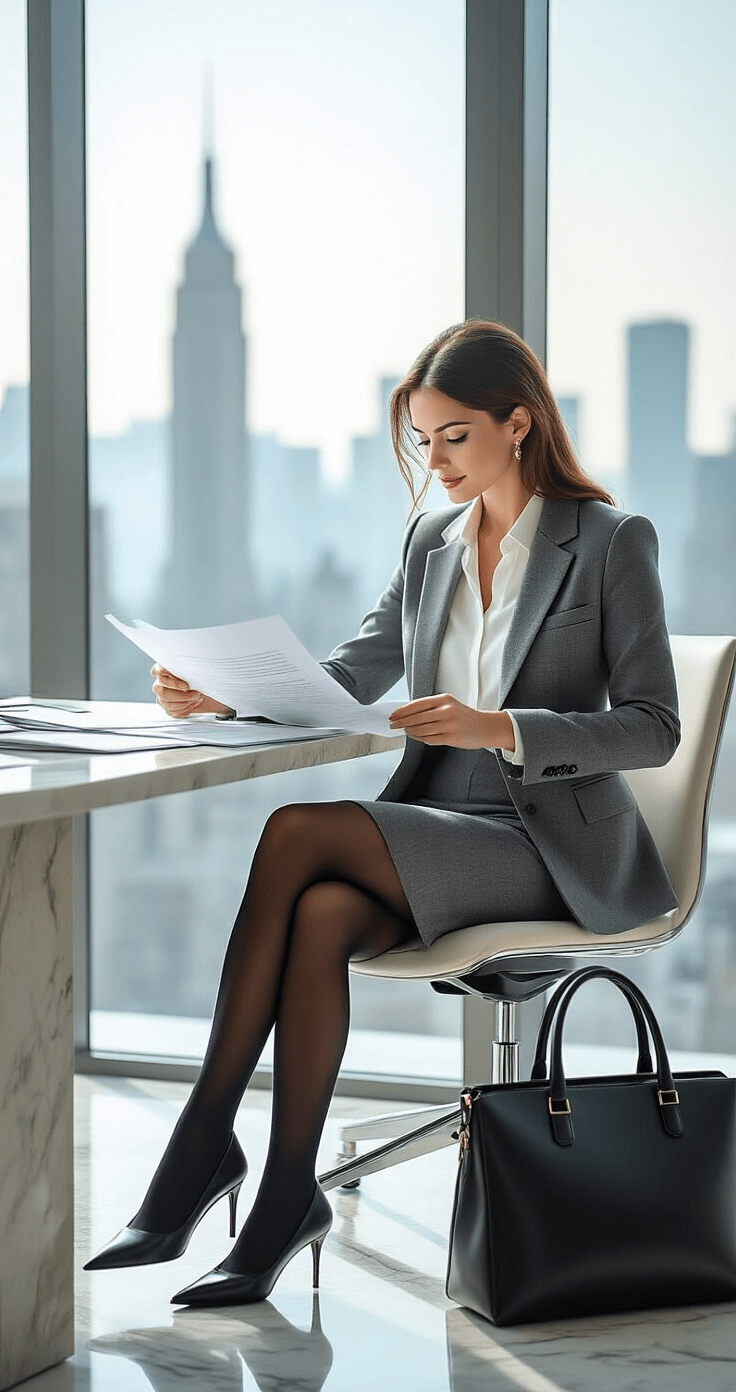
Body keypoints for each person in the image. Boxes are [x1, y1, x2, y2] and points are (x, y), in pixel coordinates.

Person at [84, 319, 680, 1306]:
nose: (434, 461)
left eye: (454, 435)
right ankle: (283, 1197)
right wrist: (224, 692)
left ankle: (200, 1144)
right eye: (421, 441)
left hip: (548, 846)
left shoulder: (609, 542)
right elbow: (349, 670)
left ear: (517, 423)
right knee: (318, 916)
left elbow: (653, 725)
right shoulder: (432, 541)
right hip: (442, 830)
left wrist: (499, 727)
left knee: (295, 833)